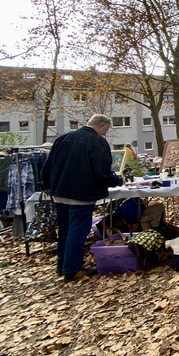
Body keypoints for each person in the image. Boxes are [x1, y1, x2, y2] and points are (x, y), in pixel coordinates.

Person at [42, 114, 124, 282]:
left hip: (59, 192)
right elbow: (101, 172)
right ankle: (72, 269)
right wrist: (117, 180)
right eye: (105, 130)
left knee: (64, 230)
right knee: (77, 231)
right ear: (100, 126)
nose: (105, 134)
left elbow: (48, 165)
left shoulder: (62, 139)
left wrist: (45, 184)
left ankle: (62, 264)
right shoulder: (97, 142)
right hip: (81, 193)